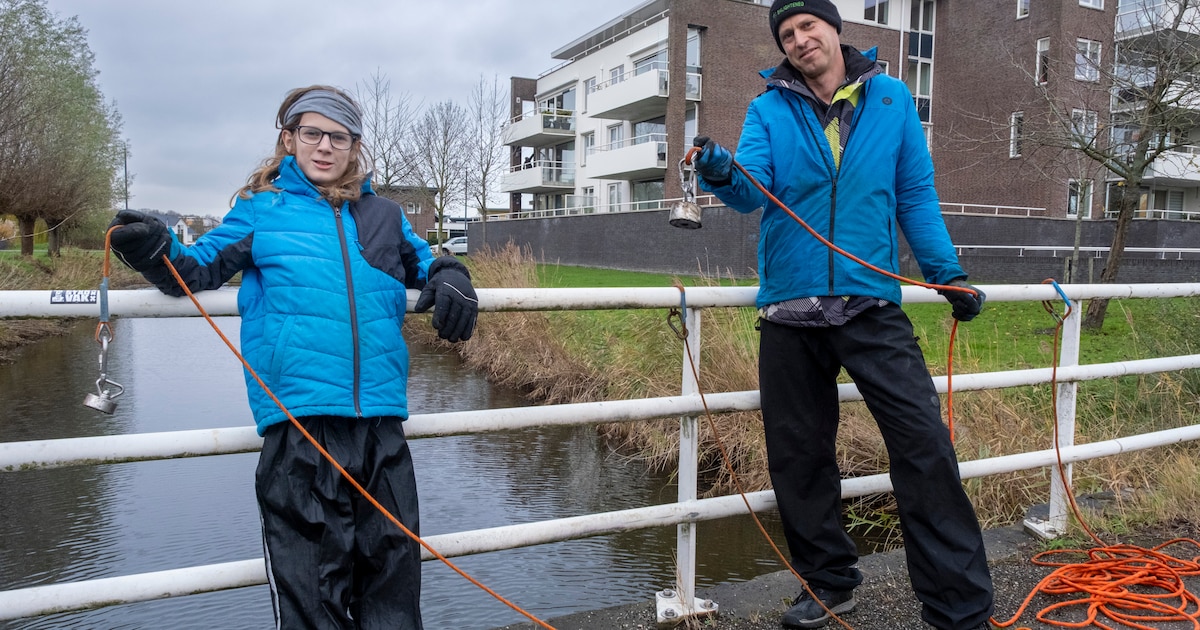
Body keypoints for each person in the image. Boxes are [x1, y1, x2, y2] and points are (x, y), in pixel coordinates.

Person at [107, 85, 478, 629]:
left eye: (339, 137)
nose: (325, 146)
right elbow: (197, 269)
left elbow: (426, 263)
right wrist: (155, 249)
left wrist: (452, 273)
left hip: (380, 425)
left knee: (393, 585)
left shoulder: (385, 214)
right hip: (300, 426)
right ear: (289, 139)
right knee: (312, 596)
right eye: (312, 133)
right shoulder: (261, 210)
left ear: (355, 146)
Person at [690, 2, 994, 629]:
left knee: (924, 447)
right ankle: (828, 583)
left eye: (809, 26)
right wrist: (720, 168)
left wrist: (947, 274)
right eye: (787, 34)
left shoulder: (891, 99)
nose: (800, 39)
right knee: (799, 459)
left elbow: (914, 193)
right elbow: (751, 192)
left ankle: (959, 608)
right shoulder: (768, 108)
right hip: (789, 310)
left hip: (870, 304)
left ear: (834, 30)